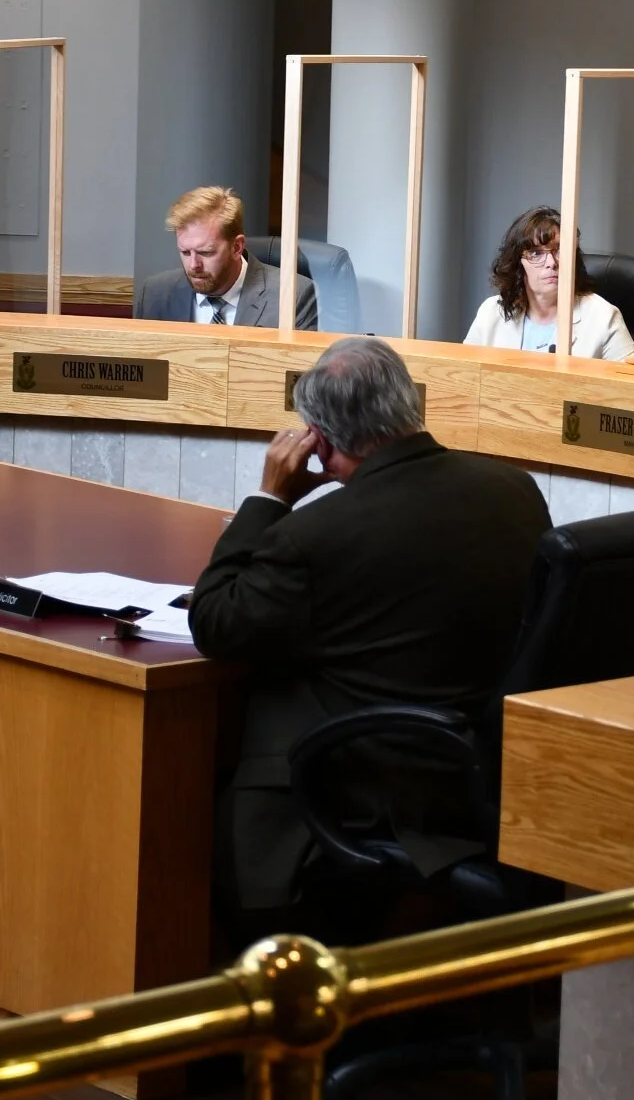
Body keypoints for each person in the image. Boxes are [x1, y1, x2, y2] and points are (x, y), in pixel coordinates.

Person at [188, 338, 551, 928]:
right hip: (479, 778)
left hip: (366, 790)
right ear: (408, 404)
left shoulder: (313, 536)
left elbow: (214, 621)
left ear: (320, 442)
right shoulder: (515, 491)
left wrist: (268, 498)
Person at [462, 207, 634, 359]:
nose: (551, 263)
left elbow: (632, 385)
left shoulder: (603, 317)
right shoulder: (491, 312)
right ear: (518, 264)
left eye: (559, 250)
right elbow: (463, 377)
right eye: (536, 253)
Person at [132, 186, 316, 328]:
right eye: (185, 252)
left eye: (206, 252)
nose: (193, 265)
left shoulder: (292, 296)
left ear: (236, 247)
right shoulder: (155, 294)